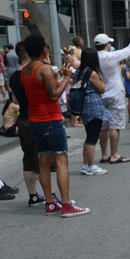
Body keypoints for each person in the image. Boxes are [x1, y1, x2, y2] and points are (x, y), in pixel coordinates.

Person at [22, 32, 92, 217]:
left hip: (35, 120)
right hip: (51, 120)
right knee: (61, 160)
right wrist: (68, 78)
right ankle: (67, 204)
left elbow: (42, 90)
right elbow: (53, 95)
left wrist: (59, 76)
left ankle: (50, 203)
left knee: (43, 162)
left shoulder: (26, 71)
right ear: (44, 48)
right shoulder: (44, 69)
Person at [5, 41, 46, 205]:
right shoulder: (35, 72)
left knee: (28, 158)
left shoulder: (14, 76)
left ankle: (33, 195)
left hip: (23, 119)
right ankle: (49, 196)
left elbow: (14, 99)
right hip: (38, 116)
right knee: (43, 157)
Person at [96, 30, 130, 164]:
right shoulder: (111, 56)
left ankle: (104, 154)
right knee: (114, 126)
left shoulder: (93, 57)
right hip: (115, 93)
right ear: (106, 45)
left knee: (103, 126)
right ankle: (114, 154)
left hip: (101, 93)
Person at [71, 48, 109, 175]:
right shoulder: (91, 73)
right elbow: (102, 89)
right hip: (94, 106)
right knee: (92, 138)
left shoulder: (78, 72)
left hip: (84, 107)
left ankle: (86, 164)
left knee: (88, 137)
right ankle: (91, 166)